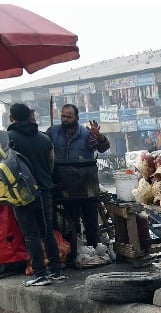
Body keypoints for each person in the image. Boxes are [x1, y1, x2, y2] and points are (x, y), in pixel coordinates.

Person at [5, 103, 66, 286]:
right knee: (46, 231)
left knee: (30, 234)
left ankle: (39, 273)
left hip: (21, 193)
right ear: (29, 116)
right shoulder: (44, 138)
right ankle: (56, 270)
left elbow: (1, 167)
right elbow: (50, 165)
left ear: (11, 118)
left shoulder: (7, 138)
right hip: (45, 190)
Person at [47, 103, 110, 257]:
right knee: (69, 221)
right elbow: (43, 149)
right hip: (63, 185)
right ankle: (74, 251)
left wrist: (99, 136)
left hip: (86, 184)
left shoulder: (86, 133)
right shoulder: (52, 132)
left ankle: (94, 249)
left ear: (76, 118)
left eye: (69, 116)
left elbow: (103, 147)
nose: (65, 119)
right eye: (63, 116)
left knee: (90, 221)